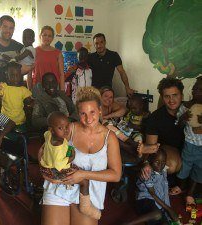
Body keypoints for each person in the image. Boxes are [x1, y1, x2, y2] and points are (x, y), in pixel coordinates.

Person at [39, 86, 122, 225]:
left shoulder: (110, 137)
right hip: (60, 188)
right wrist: (45, 169)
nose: (88, 119)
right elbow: (43, 150)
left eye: (92, 112)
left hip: (89, 196)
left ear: (100, 110)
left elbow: (116, 174)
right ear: (78, 113)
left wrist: (83, 175)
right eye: (83, 113)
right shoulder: (69, 129)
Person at [39, 111, 101, 220]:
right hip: (57, 171)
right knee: (84, 181)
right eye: (61, 128)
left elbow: (46, 143)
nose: (66, 130)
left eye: (67, 126)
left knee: (81, 174)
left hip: (49, 166)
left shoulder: (49, 135)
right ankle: (85, 207)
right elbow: (61, 164)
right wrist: (71, 155)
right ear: (52, 130)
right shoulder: (59, 145)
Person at [141, 78, 184, 182]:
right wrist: (146, 164)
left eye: (175, 95)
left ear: (181, 95)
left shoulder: (190, 110)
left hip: (190, 150)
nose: (171, 100)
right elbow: (150, 147)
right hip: (167, 153)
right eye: (167, 96)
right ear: (162, 97)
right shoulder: (155, 118)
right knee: (172, 164)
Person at [169, 77, 202, 205]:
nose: (196, 91)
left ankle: (190, 194)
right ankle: (181, 187)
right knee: (185, 167)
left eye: (200, 89)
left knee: (199, 170)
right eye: (195, 88)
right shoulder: (185, 106)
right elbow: (178, 125)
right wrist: (183, 118)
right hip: (189, 144)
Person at [136, 148, 179, 225]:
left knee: (165, 222)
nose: (160, 165)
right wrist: (168, 209)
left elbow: (165, 193)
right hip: (145, 201)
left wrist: (168, 211)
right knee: (157, 214)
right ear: (150, 161)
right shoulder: (147, 173)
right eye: (157, 162)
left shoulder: (163, 171)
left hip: (159, 205)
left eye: (163, 162)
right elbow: (152, 193)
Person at [0, 61, 32, 127]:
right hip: (5, 121)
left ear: (21, 75)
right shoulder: (3, 87)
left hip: (20, 121)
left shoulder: (23, 89)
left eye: (17, 75)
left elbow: (29, 102)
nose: (15, 78)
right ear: (7, 76)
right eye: (12, 75)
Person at [32, 26, 65, 91]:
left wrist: (62, 90)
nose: (47, 38)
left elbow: (61, 74)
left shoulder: (58, 53)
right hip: (38, 87)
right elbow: (30, 73)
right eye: (44, 35)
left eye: (49, 36)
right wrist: (29, 89)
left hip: (53, 88)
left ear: (52, 38)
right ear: (40, 36)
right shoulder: (34, 51)